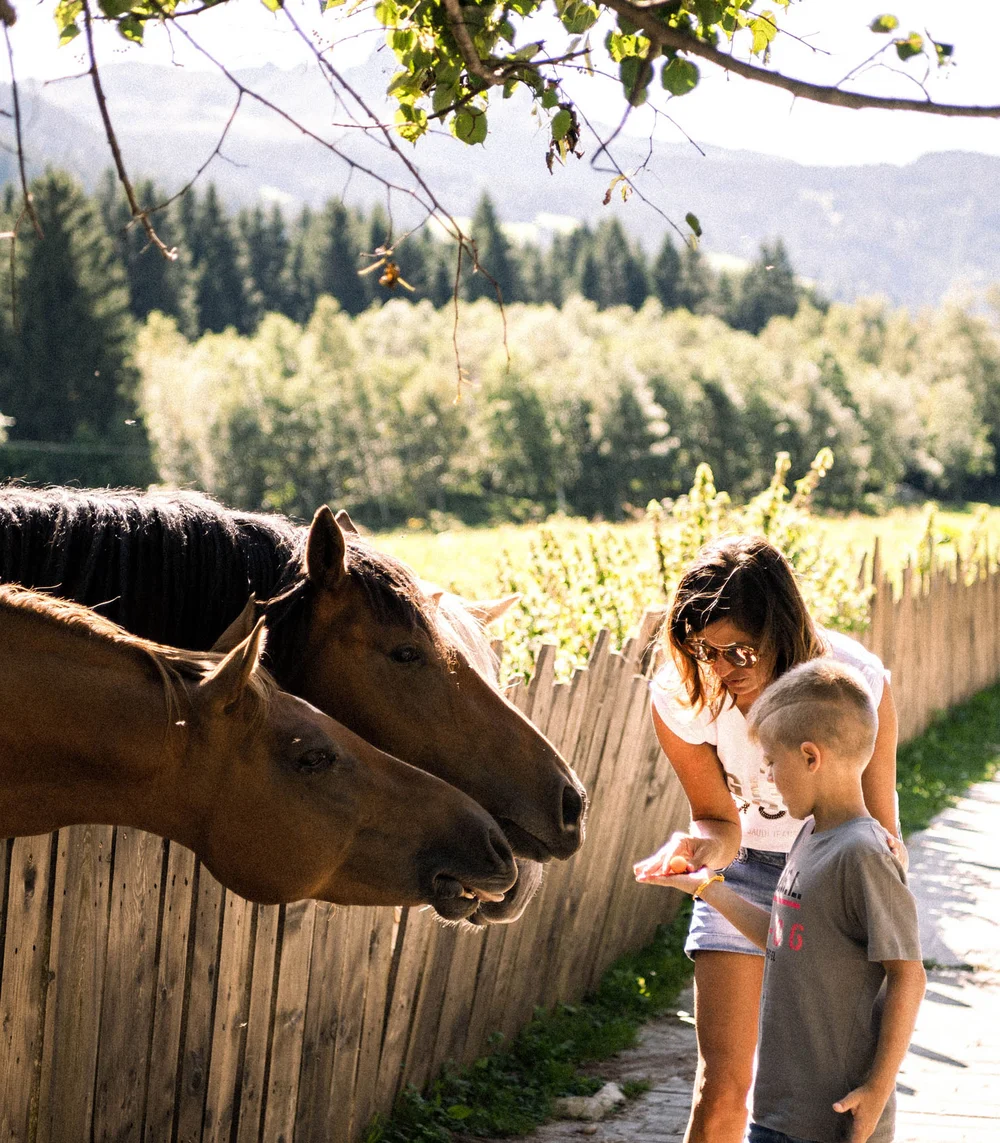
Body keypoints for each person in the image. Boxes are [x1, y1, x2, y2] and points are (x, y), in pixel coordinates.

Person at [636, 535, 903, 1143]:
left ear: (781, 632)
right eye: (705, 651)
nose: (722, 670)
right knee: (722, 1086)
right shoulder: (686, 698)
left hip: (834, 878)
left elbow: (878, 821)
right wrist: (701, 853)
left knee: (834, 1090)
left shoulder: (853, 684)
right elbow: (719, 818)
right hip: (745, 872)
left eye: (740, 651)